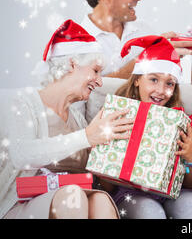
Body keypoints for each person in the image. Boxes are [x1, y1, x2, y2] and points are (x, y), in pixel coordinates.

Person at [1, 20, 134, 219]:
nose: (99, 81)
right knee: (73, 196)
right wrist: (87, 137)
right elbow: (21, 154)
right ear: (72, 64)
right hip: (21, 204)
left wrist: (108, 151)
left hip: (71, 201)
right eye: (96, 71)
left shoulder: (77, 119)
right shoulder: (23, 103)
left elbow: (93, 176)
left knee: (101, 199)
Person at [103, 35, 192, 219]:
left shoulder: (180, 121)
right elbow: (105, 186)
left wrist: (191, 158)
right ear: (137, 80)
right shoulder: (116, 115)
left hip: (177, 193)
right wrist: (106, 152)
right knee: (150, 212)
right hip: (133, 195)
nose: (161, 91)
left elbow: (191, 183)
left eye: (169, 83)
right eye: (153, 79)